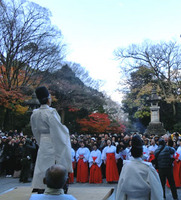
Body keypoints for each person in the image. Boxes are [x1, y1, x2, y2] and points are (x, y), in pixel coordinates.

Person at [31, 86, 72, 193]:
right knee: (54, 164)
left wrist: (40, 141)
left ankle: (41, 186)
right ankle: (57, 186)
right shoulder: (51, 112)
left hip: (43, 141)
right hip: (52, 140)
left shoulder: (35, 113)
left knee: (41, 165)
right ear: (48, 99)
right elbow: (57, 129)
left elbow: (35, 130)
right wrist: (65, 131)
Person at [116, 135, 163, 200]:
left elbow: (120, 190)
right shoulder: (148, 168)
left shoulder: (125, 167)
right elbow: (156, 191)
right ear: (141, 153)